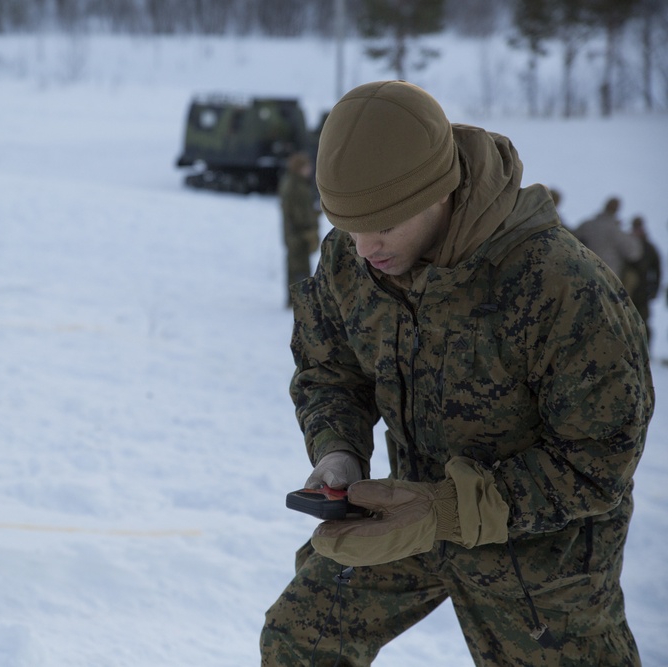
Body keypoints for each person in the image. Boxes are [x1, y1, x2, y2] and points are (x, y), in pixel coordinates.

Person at [261, 81, 653, 666]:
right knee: (300, 638)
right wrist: (338, 449)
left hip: (540, 554)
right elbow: (329, 367)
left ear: (440, 192)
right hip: (403, 510)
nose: (365, 247)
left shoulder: (560, 286)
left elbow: (601, 460)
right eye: (349, 225)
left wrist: (448, 510)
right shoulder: (354, 255)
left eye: (385, 225)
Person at [279, 152, 321, 306]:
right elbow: (300, 214)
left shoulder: (291, 182)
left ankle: (294, 300)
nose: (310, 169)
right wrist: (310, 228)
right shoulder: (297, 186)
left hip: (292, 235)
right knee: (300, 269)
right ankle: (301, 302)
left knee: (295, 266)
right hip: (298, 235)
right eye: (306, 166)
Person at [572, 196, 642, 281]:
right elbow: (634, 254)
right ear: (616, 210)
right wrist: (636, 238)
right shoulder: (617, 232)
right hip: (606, 278)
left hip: (582, 272)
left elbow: (571, 243)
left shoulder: (587, 225)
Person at [621, 215, 661, 347]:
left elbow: (657, 270)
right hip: (628, 290)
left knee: (642, 322)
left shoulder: (649, 247)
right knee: (625, 321)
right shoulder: (628, 243)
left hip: (642, 292)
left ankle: (645, 349)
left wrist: (655, 289)